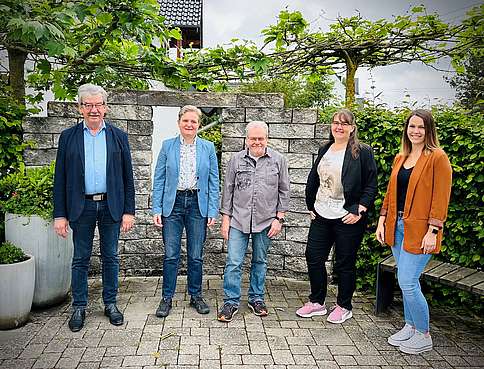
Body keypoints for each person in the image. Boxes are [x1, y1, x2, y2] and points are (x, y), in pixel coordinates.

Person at [53, 83, 135, 332]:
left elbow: (127, 177)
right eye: (88, 105)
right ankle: (79, 306)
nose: (94, 109)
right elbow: (61, 178)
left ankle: (110, 304)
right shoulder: (69, 137)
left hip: (111, 206)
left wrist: (129, 211)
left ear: (106, 108)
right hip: (81, 207)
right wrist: (60, 215)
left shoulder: (118, 136)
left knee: (110, 257)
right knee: (80, 259)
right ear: (80, 108)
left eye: (98, 104)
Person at [376, 109, 452, 354]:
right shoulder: (402, 157)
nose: (415, 131)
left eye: (421, 127)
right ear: (406, 129)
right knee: (406, 279)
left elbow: (441, 198)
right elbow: (390, 193)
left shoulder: (437, 157)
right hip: (396, 227)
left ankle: (424, 334)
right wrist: (382, 220)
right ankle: (410, 327)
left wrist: (433, 230)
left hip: (421, 230)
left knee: (407, 281)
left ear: (429, 130)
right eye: (412, 126)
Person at [296, 109, 377, 324]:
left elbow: (371, 184)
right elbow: (315, 178)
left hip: (347, 218)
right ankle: (317, 302)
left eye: (344, 123)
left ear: (352, 128)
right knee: (313, 257)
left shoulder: (362, 152)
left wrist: (359, 210)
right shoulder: (326, 148)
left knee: (344, 263)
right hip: (321, 214)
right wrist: (310, 204)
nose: (338, 127)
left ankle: (344, 306)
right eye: (335, 123)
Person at [217, 121, 290, 322]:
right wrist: (225, 220)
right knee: (233, 262)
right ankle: (231, 302)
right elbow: (228, 191)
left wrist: (279, 219)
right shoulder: (236, 160)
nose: (257, 142)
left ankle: (256, 298)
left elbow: (284, 191)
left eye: (261, 138)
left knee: (260, 261)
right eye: (253, 138)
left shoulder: (278, 160)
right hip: (238, 220)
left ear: (267, 138)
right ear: (246, 139)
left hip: (266, 221)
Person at [152, 105, 219, 318]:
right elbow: (159, 178)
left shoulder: (208, 147)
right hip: (173, 204)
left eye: (193, 122)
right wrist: (157, 208)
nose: (189, 125)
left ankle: (196, 296)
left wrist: (212, 210)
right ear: (179, 122)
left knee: (196, 255)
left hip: (198, 204)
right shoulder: (167, 146)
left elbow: (213, 180)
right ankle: (167, 298)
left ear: (198, 125)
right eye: (186, 121)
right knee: (171, 254)